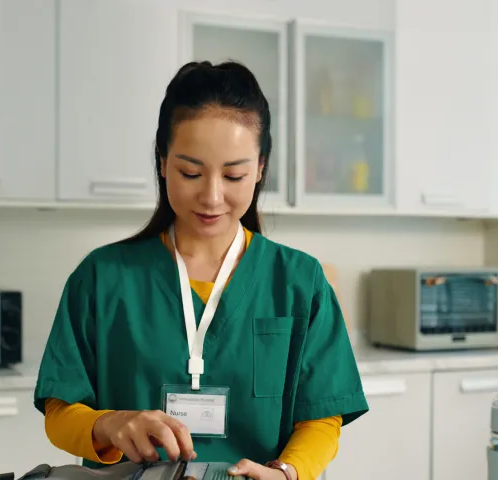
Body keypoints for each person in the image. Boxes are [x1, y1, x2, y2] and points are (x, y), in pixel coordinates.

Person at [33, 60, 368, 480]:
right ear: (161, 161)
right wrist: (110, 424)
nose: (211, 197)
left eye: (234, 175)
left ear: (261, 168)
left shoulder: (300, 281)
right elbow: (59, 409)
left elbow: (321, 416)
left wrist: (286, 472)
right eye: (190, 172)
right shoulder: (102, 278)